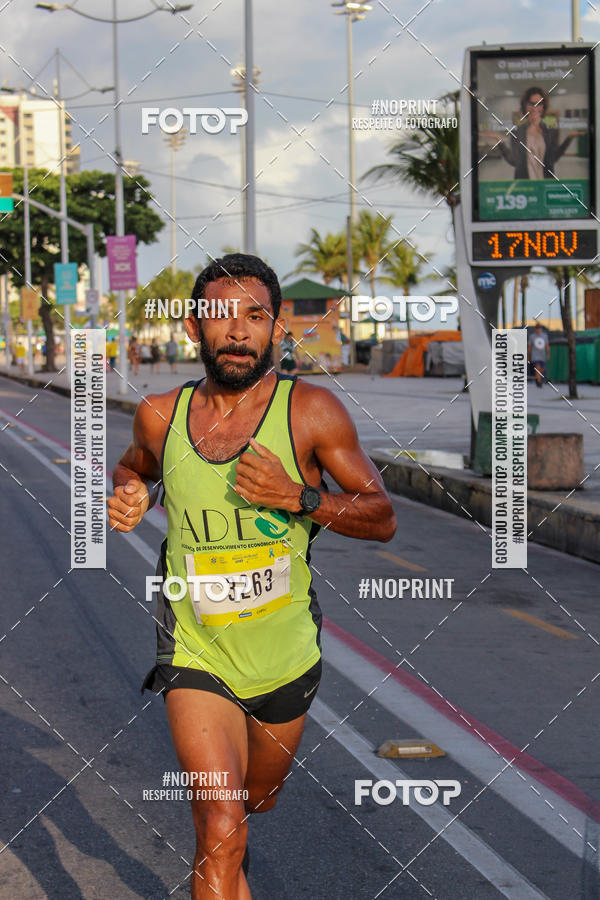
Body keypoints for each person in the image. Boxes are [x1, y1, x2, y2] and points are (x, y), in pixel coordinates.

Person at [107, 253, 396, 899]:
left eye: (254, 315)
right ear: (192, 328)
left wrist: (300, 497)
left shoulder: (312, 411)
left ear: (276, 327)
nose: (237, 331)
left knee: (256, 800)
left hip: (285, 653)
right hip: (195, 649)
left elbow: (381, 518)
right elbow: (134, 466)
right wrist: (128, 489)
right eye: (220, 315)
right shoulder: (158, 414)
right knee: (219, 821)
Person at [480, 86, 585, 180]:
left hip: (546, 183)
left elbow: (554, 158)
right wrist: (499, 140)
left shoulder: (551, 131)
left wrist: (569, 138)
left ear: (543, 107)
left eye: (540, 104)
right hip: (524, 184)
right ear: (525, 106)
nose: (535, 108)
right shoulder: (517, 131)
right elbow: (514, 161)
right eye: (531, 104)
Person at [528, 322, 550, 387]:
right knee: (537, 367)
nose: (538, 330)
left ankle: (538, 378)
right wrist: (528, 355)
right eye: (537, 328)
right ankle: (539, 382)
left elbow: (547, 346)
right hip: (535, 356)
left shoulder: (544, 336)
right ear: (535, 329)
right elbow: (529, 346)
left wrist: (548, 353)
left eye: (539, 328)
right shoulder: (532, 336)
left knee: (542, 369)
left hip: (542, 355)